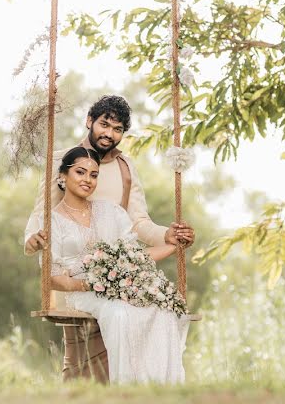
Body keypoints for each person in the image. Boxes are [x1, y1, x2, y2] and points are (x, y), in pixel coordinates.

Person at [24, 95, 195, 383]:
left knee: (136, 323)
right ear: (90, 121)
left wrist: (167, 235)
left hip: (116, 272)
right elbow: (41, 216)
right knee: (82, 363)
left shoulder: (126, 169)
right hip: (74, 267)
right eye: (104, 124)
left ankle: (147, 390)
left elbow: (138, 223)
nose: (109, 134)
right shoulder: (61, 160)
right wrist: (33, 242)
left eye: (117, 129)